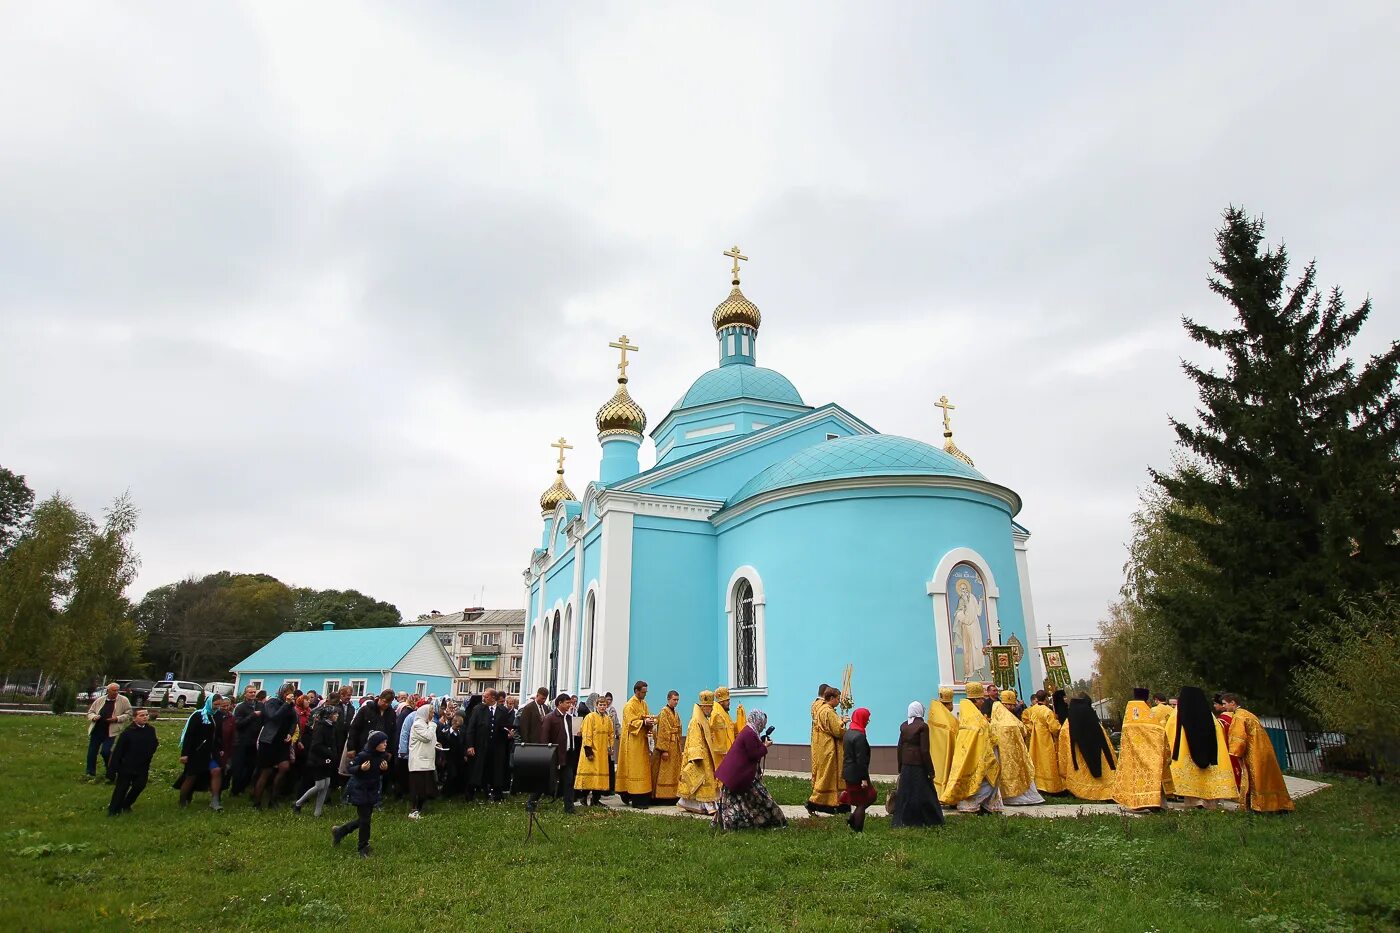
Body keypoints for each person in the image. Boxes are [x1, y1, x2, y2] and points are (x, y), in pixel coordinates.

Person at [1163, 686, 1236, 809]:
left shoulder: (1176, 716)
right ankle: (1208, 802)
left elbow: (1168, 738)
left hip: (1185, 759)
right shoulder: (1210, 717)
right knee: (1207, 779)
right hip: (1210, 759)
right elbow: (1219, 740)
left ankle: (1194, 802)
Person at [714, 709, 786, 830]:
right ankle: (775, 821)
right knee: (761, 798)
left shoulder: (749, 731)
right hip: (739, 775)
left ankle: (733, 825)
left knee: (734, 803)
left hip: (736, 775)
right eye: (762, 724)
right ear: (758, 721)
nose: (763, 727)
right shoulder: (749, 733)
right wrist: (765, 746)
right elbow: (753, 754)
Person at [1222, 694, 1294, 813]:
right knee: (1269, 779)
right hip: (1264, 751)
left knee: (1255, 779)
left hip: (1253, 753)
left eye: (1225, 703)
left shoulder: (1238, 717)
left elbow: (1238, 739)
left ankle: (1257, 806)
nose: (1224, 706)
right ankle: (1279, 804)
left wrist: (1235, 754)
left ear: (1232, 703)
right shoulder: (1249, 714)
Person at [939, 682, 1002, 813]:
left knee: (980, 779)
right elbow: (984, 733)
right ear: (976, 700)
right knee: (986, 779)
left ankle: (985, 804)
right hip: (980, 755)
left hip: (969, 754)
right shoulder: (975, 718)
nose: (983, 701)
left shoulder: (968, 713)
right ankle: (971, 804)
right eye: (981, 699)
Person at [333, 731, 389, 858]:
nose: (385, 744)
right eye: (383, 742)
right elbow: (350, 768)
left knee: (364, 819)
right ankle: (363, 847)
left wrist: (383, 770)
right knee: (365, 820)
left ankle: (340, 831)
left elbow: (378, 773)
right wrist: (360, 769)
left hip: (372, 790)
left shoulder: (382, 756)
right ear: (375, 743)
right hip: (360, 790)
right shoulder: (363, 755)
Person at [1113, 688, 1171, 811]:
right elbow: (1158, 731)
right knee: (1151, 777)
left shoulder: (1129, 712)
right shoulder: (1147, 712)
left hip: (1132, 756)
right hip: (1149, 753)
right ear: (1147, 699)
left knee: (1134, 777)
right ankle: (1154, 803)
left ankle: (1135, 803)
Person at [890, 702, 945, 828]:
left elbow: (900, 747)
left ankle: (903, 820)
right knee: (924, 792)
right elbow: (924, 750)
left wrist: (900, 765)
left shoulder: (904, 726)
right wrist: (930, 770)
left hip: (906, 764)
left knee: (906, 793)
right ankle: (930, 819)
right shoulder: (922, 726)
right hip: (918, 765)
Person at [1059, 694, 1117, 801]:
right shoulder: (1096, 724)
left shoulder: (1067, 725)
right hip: (1103, 770)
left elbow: (1063, 751)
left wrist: (1063, 771)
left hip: (1078, 774)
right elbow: (1107, 747)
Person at [992, 689, 1044, 806]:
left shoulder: (996, 714)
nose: (1011, 708)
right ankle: (1015, 795)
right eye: (1009, 705)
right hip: (1012, 751)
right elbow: (1023, 730)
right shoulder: (1010, 720)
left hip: (1004, 751)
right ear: (1004, 704)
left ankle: (1006, 795)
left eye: (1012, 705)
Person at [253, 683, 298, 809]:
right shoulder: (272, 702)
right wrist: (286, 704)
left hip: (282, 741)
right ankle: (257, 802)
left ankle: (273, 799)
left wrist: (290, 733)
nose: (289, 695)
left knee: (284, 767)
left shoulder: (290, 705)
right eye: (286, 693)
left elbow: (294, 720)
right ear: (281, 693)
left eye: (291, 693)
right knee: (266, 771)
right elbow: (274, 717)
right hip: (269, 741)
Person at [107, 707, 158, 816]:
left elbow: (154, 743)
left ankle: (126, 804)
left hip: (142, 765)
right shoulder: (128, 732)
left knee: (140, 785)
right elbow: (118, 751)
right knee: (121, 788)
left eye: (146, 715)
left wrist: (149, 754)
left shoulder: (151, 730)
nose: (145, 717)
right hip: (127, 765)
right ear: (134, 719)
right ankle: (113, 810)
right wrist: (113, 768)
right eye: (141, 715)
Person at [806, 686, 848, 815]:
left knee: (824, 775)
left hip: (821, 745)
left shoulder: (818, 707)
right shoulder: (828, 711)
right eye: (838, 698)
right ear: (831, 698)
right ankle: (815, 802)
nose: (839, 701)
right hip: (830, 748)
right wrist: (843, 722)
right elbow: (837, 731)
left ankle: (831, 803)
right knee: (828, 776)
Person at [175, 694, 221, 810]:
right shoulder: (198, 715)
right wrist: (184, 754)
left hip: (211, 753)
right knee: (191, 776)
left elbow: (218, 735)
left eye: (219, 705)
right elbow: (189, 735)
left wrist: (220, 748)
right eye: (215, 704)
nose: (217, 707)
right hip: (197, 752)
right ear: (209, 703)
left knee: (216, 771)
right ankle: (183, 800)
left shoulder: (218, 715)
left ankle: (215, 801)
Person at [678, 691, 720, 814]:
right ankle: (704, 805)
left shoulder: (703, 719)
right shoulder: (696, 721)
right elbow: (694, 739)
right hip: (699, 756)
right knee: (701, 781)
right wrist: (696, 756)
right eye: (710, 707)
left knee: (704, 781)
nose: (711, 709)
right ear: (703, 707)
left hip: (706, 754)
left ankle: (702, 804)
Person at [294, 704, 340, 816]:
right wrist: (329, 752)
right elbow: (316, 745)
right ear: (328, 715)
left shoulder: (332, 726)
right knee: (319, 785)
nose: (337, 715)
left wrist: (333, 754)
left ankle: (317, 812)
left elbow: (332, 743)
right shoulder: (321, 727)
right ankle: (298, 803)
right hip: (318, 759)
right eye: (335, 714)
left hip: (328, 759)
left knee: (326, 784)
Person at [616, 681, 656, 808]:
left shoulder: (644, 704)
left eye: (646, 692)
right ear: (636, 691)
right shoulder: (629, 706)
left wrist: (650, 721)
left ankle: (643, 796)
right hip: (632, 742)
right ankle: (634, 796)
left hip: (642, 740)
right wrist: (643, 722)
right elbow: (630, 723)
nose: (645, 694)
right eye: (643, 692)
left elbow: (646, 717)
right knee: (635, 769)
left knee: (643, 768)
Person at [466, 689, 509, 801]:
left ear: (493, 698)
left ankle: (497, 794)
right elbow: (471, 728)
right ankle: (470, 794)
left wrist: (508, 734)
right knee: (477, 769)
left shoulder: (502, 710)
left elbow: (505, 727)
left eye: (486, 697)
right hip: (480, 745)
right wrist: (470, 745)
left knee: (496, 770)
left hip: (497, 746)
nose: (483, 699)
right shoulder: (478, 709)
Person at [84, 683, 132, 780]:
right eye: (113, 690)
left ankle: (110, 770)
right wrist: (94, 717)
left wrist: (117, 718)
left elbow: (129, 713)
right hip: (97, 730)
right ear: (108, 690)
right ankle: (90, 773)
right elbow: (90, 712)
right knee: (92, 752)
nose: (116, 692)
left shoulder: (123, 700)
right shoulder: (100, 700)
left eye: (117, 690)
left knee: (105, 752)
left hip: (111, 731)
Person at [540, 694, 578, 813]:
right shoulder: (550, 718)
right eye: (567, 703)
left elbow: (569, 734)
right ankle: (532, 802)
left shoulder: (568, 717)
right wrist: (546, 753)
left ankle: (569, 808)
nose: (570, 705)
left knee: (568, 781)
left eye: (570, 703)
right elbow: (544, 737)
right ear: (559, 703)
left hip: (567, 755)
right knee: (545, 779)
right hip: (554, 755)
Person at [575, 692, 614, 806]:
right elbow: (586, 733)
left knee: (600, 777)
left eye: (604, 705)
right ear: (596, 705)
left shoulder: (607, 719)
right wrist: (588, 750)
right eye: (600, 705)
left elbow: (611, 734)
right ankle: (584, 797)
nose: (602, 707)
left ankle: (596, 800)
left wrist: (610, 747)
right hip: (592, 750)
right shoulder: (590, 717)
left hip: (602, 752)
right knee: (590, 775)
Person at [841, 707, 877, 831]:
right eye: (867, 718)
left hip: (848, 772)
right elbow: (861, 760)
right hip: (857, 774)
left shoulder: (849, 732)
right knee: (865, 800)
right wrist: (863, 779)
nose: (868, 721)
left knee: (866, 798)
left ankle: (852, 818)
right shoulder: (860, 736)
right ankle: (857, 828)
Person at [1022, 690, 1064, 794]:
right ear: (1046, 699)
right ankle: (1051, 787)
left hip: (1035, 740)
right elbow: (1054, 728)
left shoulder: (1032, 709)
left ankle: (1039, 785)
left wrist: (1033, 730)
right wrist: (1059, 725)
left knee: (1038, 761)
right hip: (1047, 740)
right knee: (1048, 762)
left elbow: (1026, 722)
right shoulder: (1047, 711)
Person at [230, 685, 263, 797]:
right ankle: (235, 790)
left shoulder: (260, 705)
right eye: (250, 692)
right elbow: (238, 724)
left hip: (255, 741)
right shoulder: (241, 707)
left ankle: (242, 787)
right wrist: (252, 715)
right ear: (245, 694)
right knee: (238, 767)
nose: (253, 694)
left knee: (251, 767)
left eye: (254, 692)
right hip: (242, 741)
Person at [407, 702, 439, 819]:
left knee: (425, 788)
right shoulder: (418, 725)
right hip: (418, 762)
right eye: (430, 712)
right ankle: (414, 810)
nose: (432, 714)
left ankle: (419, 809)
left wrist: (437, 744)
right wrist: (433, 725)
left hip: (427, 761)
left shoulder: (426, 724)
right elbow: (427, 737)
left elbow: (431, 740)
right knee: (417, 787)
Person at [652, 690, 683, 806]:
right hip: (667, 747)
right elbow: (663, 731)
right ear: (668, 699)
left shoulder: (676, 713)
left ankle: (673, 794)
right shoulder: (664, 712)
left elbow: (679, 728)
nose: (676, 702)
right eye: (674, 700)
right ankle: (663, 796)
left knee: (674, 771)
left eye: (677, 700)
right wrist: (664, 750)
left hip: (675, 746)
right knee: (665, 772)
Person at [926, 687, 958, 798]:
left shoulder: (934, 715)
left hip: (934, 752)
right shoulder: (949, 721)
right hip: (947, 752)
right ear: (949, 704)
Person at [1213, 693, 1243, 790]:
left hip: (1228, 748)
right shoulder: (1240, 715)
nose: (1214, 706)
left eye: (1224, 703)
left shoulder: (1222, 719)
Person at [710, 686, 736, 764]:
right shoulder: (717, 713)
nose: (729, 702)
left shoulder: (724, 712)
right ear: (721, 701)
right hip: (721, 753)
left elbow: (730, 727)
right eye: (727, 700)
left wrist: (741, 718)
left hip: (728, 750)